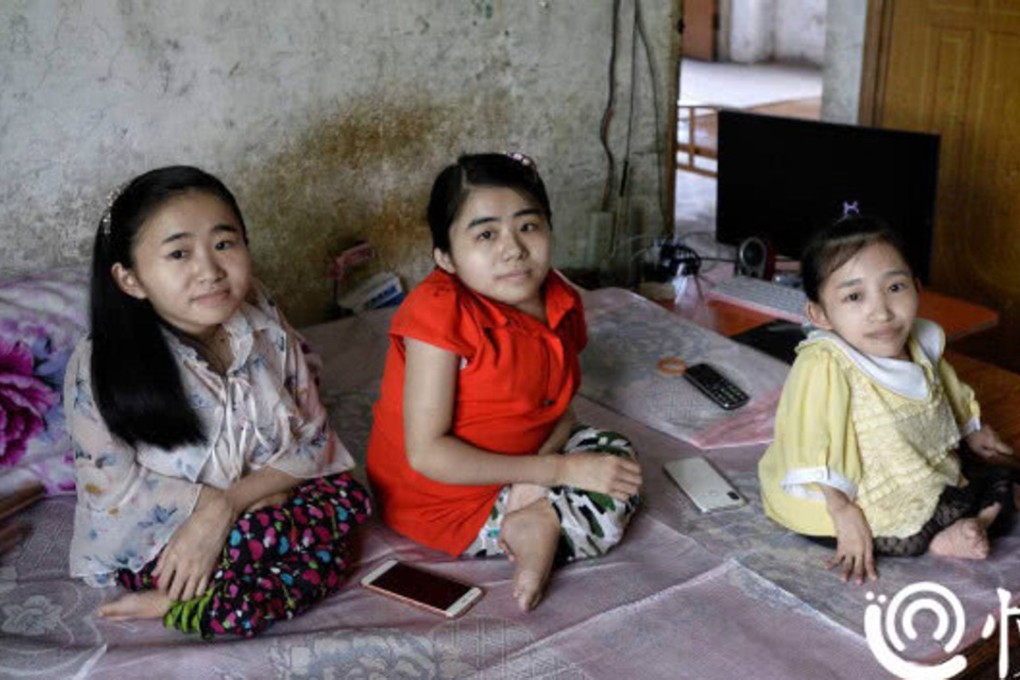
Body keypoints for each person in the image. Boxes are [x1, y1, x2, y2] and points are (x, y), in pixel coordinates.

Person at [65, 166, 371, 638]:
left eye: (224, 244)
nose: (209, 271)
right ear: (130, 280)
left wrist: (233, 503)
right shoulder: (101, 366)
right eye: (179, 253)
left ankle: (212, 596)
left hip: (258, 504)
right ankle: (187, 601)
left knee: (350, 498)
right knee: (274, 543)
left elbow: (313, 437)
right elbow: (114, 492)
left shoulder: (262, 322)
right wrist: (217, 514)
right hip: (171, 537)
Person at [366, 153, 642, 611]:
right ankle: (531, 526)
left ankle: (534, 510)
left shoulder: (559, 298)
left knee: (618, 462)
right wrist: (558, 471)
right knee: (599, 492)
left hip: (527, 455)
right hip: (445, 498)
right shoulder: (438, 316)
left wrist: (553, 452)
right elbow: (427, 453)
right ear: (446, 258)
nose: (513, 249)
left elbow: (556, 404)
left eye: (528, 227)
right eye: (486, 234)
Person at [758, 214, 1015, 584]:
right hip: (844, 490)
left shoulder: (920, 341)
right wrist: (841, 508)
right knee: (919, 520)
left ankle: (977, 524)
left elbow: (946, 389)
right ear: (820, 315)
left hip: (910, 467)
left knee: (1000, 474)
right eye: (854, 296)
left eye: (895, 288)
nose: (881, 312)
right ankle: (944, 537)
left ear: (917, 288)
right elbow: (811, 437)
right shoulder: (825, 363)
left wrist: (971, 429)